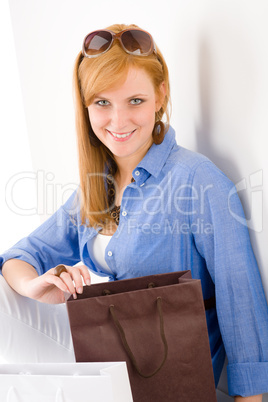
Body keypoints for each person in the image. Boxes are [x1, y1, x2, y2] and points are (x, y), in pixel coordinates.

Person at [0, 23, 267, 401]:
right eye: (103, 103)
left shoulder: (197, 181)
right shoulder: (96, 188)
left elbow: (241, 302)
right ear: (86, 105)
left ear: (160, 95)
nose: (119, 121)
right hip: (104, 362)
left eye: (135, 101)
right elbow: (17, 257)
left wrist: (250, 399)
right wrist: (37, 285)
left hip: (164, 375)